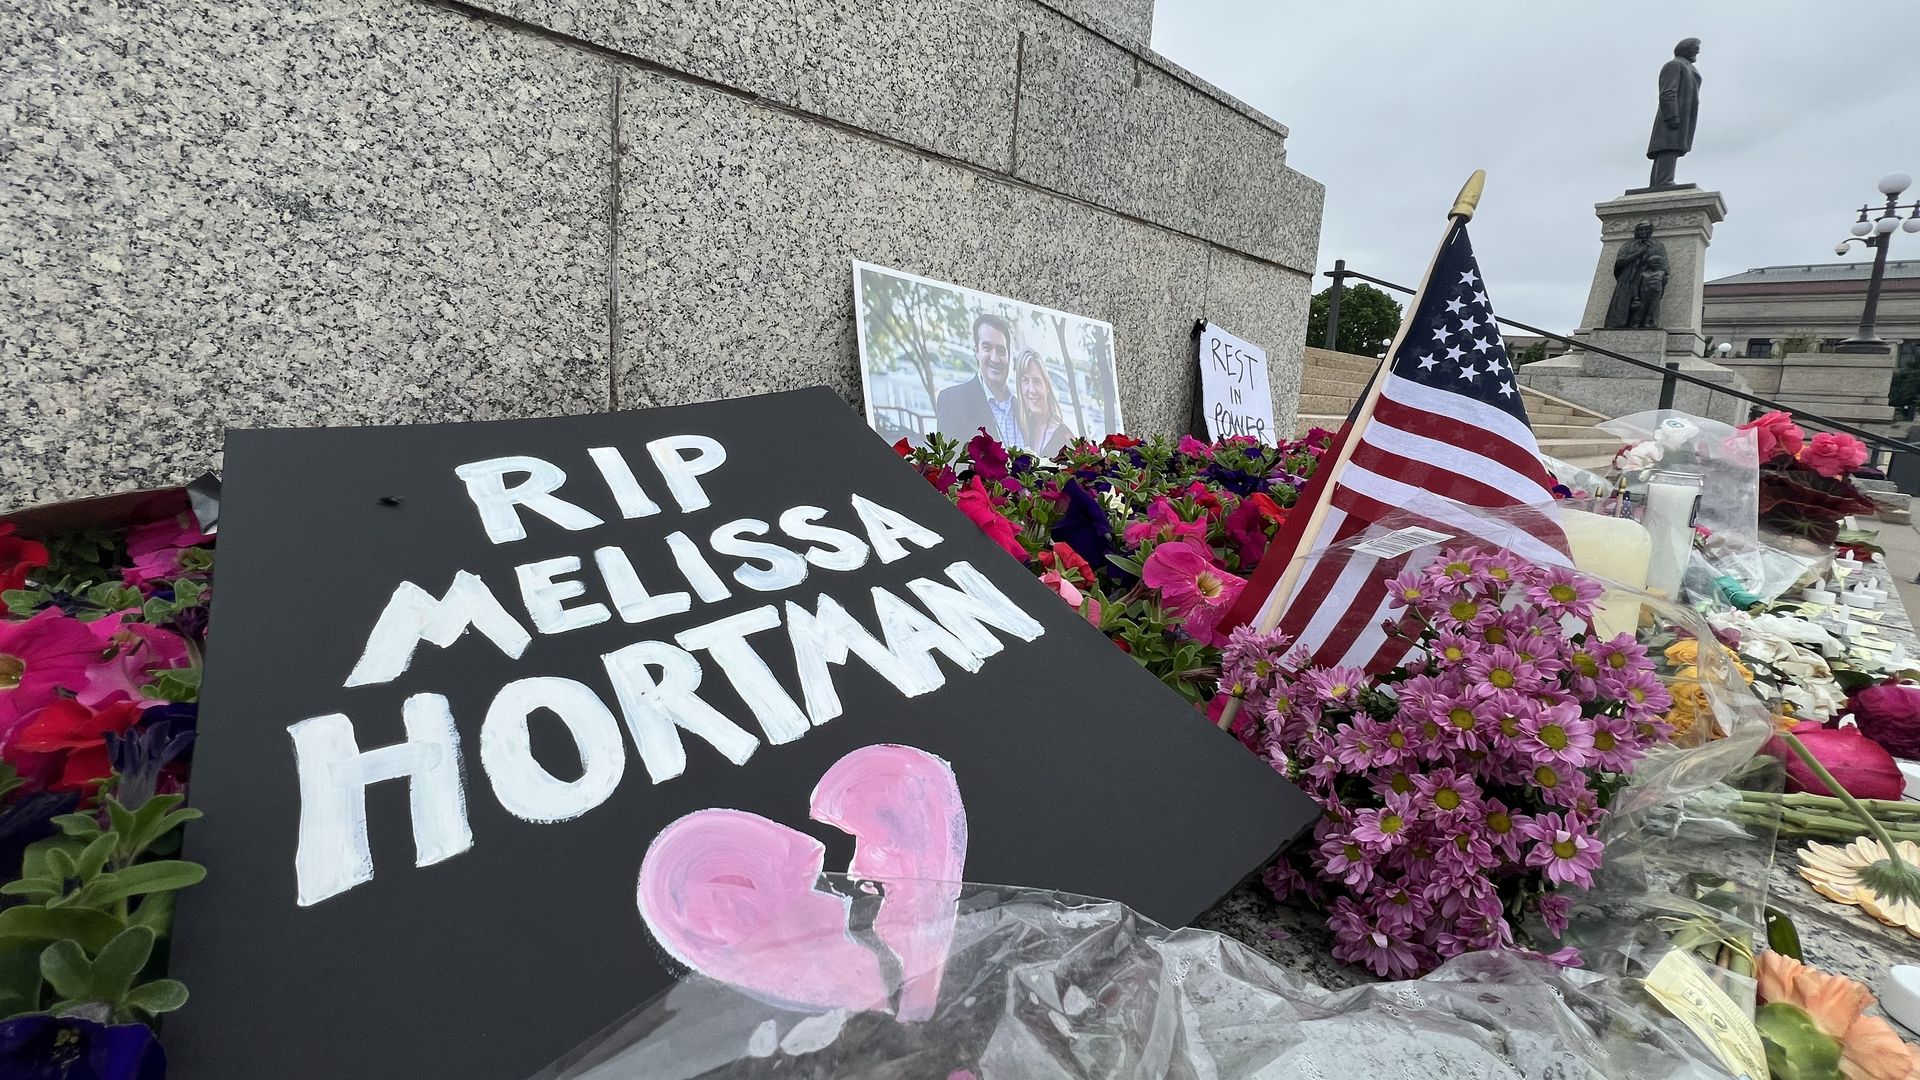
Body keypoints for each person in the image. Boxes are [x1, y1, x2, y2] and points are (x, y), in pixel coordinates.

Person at [934, 313, 1018, 445]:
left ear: (1009, 356)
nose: (995, 358)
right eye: (987, 348)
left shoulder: (1023, 409)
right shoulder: (952, 401)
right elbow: (949, 463)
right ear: (976, 352)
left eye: (1001, 350)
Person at [1014, 350, 1075, 456]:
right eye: (1025, 381)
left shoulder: (1064, 438)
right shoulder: (1021, 428)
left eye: (1037, 381)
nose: (1031, 390)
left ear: (1047, 386)